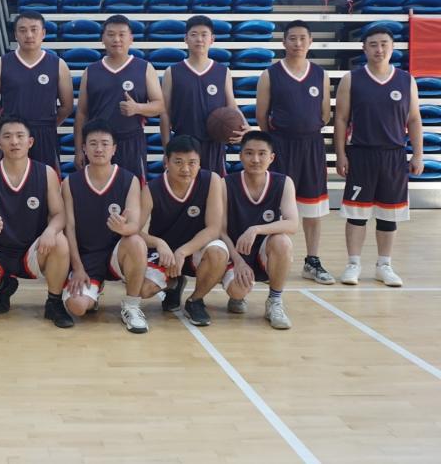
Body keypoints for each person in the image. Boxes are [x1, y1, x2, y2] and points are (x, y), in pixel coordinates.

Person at [0, 115, 74, 328]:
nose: (14, 141)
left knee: (60, 241)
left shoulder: (46, 173)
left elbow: (60, 214)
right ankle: (3, 286)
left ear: (30, 142)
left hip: (34, 250)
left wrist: (50, 231)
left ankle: (54, 302)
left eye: (20, 136)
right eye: (8, 136)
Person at [335, 26, 423, 287]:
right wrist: (340, 154)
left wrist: (418, 154)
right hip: (361, 154)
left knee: (389, 214)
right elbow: (341, 119)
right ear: (364, 48)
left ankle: (384, 265)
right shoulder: (352, 79)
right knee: (357, 213)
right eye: (373, 44)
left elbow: (414, 119)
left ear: (392, 48)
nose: (379, 49)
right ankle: (353, 264)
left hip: (394, 155)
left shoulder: (406, 80)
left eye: (384, 43)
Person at [255, 20, 334, 285]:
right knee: (276, 206)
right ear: (284, 42)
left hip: (311, 146)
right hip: (281, 145)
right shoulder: (270, 74)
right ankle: (268, 259)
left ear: (310, 42)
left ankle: (312, 261)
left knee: (313, 207)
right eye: (292, 38)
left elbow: (325, 114)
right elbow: (262, 116)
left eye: (302, 38)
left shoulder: (320, 75)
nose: (298, 43)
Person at [61, 118, 158, 333]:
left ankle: (131, 306)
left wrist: (124, 229)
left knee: (135, 241)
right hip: (87, 257)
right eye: (93, 143)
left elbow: (134, 224)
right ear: (84, 148)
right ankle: (94, 290)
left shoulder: (129, 180)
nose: (99, 149)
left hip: (118, 254)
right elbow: (69, 228)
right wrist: (77, 267)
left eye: (105, 144)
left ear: (114, 149)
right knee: (77, 307)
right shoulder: (70, 183)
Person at [139, 135, 244, 327]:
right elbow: (136, 231)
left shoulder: (212, 180)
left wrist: (182, 251)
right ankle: (174, 284)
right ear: (166, 161)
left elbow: (214, 228)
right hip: (166, 253)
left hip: (197, 248)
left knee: (218, 252)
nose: (186, 169)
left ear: (200, 162)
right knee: (144, 290)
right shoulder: (151, 189)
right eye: (178, 162)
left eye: (192, 162)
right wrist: (159, 243)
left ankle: (196, 300)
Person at [222, 131, 298, 330]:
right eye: (249, 153)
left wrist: (255, 229)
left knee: (282, 242)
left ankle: (275, 300)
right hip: (235, 253)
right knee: (238, 291)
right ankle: (236, 296)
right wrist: (238, 261)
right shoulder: (226, 183)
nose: (255, 159)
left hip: (263, 251)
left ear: (271, 157)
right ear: (240, 156)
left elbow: (292, 224)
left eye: (262, 153)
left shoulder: (284, 182)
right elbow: (219, 230)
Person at [75, 15, 164, 180]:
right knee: (100, 190)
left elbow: (160, 105)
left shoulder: (144, 68)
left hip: (131, 141)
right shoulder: (91, 71)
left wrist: (138, 108)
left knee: (134, 188)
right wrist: (79, 149)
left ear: (131, 38)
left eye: (122, 34)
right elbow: (81, 113)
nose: (116, 39)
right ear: (103, 39)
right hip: (99, 144)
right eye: (111, 34)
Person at [0, 10, 73, 169]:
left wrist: (47, 125)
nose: (29, 35)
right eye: (23, 30)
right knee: (10, 179)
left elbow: (67, 106)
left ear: (43, 33)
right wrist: (6, 124)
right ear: (15, 34)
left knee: (47, 180)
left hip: (45, 134)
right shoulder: (0, 64)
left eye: (34, 29)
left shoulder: (58, 65)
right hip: (13, 135)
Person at [161, 15, 245, 175]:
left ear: (212, 39)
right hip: (183, 143)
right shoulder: (172, 72)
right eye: (194, 34)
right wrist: (167, 149)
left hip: (214, 143)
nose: (199, 39)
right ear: (185, 39)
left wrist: (245, 126)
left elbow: (232, 106)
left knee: (214, 186)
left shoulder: (223, 71)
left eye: (204, 34)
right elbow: (165, 113)